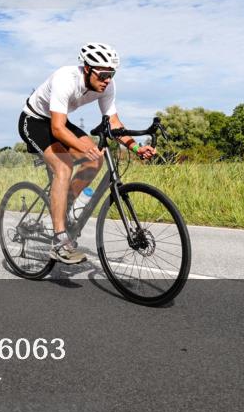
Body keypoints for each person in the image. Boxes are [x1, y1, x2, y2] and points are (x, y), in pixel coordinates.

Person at [18, 43, 156, 264]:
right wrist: (84, 147)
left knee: (95, 160)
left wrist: (136, 147)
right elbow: (56, 129)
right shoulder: (65, 79)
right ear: (87, 69)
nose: (107, 79)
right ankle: (59, 241)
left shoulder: (107, 86)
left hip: (60, 120)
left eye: (112, 74)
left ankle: (66, 207)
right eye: (103, 74)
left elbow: (114, 123)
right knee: (64, 168)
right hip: (34, 121)